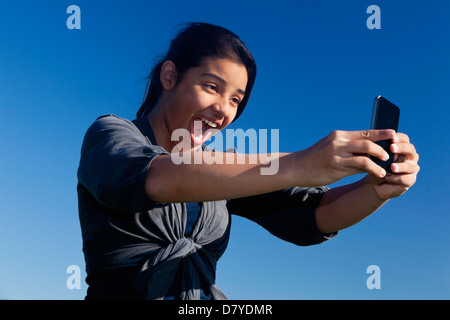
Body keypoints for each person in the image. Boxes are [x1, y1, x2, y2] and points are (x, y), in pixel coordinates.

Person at [77, 22, 420, 300]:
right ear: (170, 77)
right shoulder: (111, 133)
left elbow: (312, 216)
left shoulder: (224, 171)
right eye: (212, 87)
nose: (224, 110)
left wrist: (377, 189)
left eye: (236, 100)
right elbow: (154, 178)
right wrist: (301, 163)